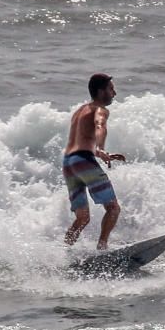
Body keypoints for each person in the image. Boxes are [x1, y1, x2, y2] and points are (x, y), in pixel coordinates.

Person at [62, 73, 126, 250]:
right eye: (111, 89)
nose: (114, 93)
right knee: (113, 208)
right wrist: (101, 148)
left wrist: (98, 152)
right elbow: (100, 127)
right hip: (84, 161)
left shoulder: (79, 111)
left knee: (82, 218)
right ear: (100, 91)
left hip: (69, 163)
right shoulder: (100, 110)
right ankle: (102, 248)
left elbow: (80, 141)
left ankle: (64, 252)